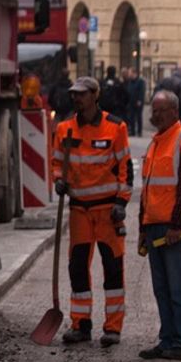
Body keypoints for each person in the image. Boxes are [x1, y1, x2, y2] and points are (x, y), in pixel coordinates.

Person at [51, 76, 133, 347]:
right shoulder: (64, 129)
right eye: (74, 93)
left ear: (95, 96)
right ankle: (81, 325)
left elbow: (126, 168)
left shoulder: (115, 127)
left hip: (107, 210)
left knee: (112, 268)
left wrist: (122, 201)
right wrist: (57, 180)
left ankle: (112, 328)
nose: (77, 98)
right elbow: (56, 162)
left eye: (83, 94)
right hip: (79, 211)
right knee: (77, 268)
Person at [138, 91, 181, 361]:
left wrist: (176, 225)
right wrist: (142, 226)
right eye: (154, 110)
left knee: (177, 287)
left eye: (162, 110)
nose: (156, 115)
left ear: (175, 111)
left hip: (175, 228)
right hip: (155, 225)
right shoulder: (156, 143)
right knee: (162, 288)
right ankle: (167, 340)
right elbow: (148, 189)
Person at [124, 67, 146, 136]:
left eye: (130, 73)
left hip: (138, 102)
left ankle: (139, 132)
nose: (129, 74)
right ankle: (132, 131)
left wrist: (140, 100)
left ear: (134, 73)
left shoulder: (140, 81)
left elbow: (141, 91)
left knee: (139, 117)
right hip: (131, 102)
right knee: (131, 117)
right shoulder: (130, 81)